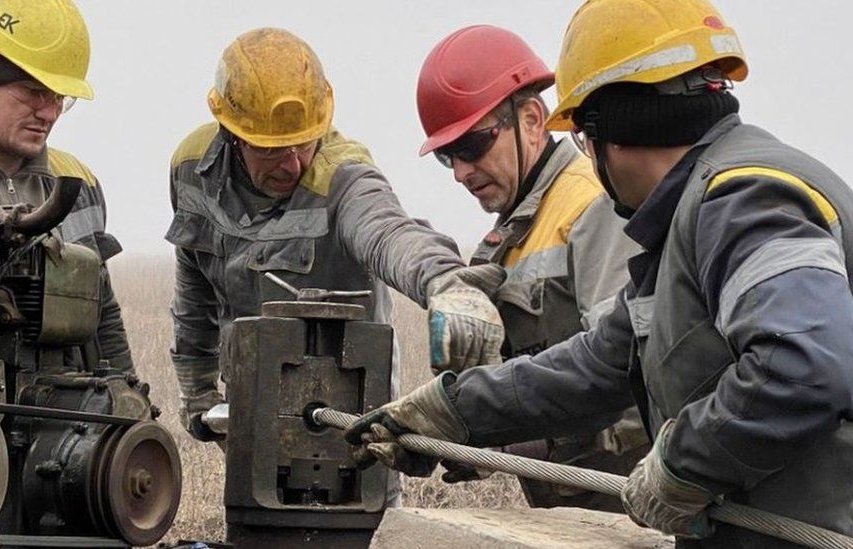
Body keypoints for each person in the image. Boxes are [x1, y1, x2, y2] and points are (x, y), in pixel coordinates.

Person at [346, 1, 853, 546]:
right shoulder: (684, 223)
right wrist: (449, 410)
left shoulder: (741, 199)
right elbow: (599, 363)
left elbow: (801, 365)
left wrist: (683, 466)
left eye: (584, 140)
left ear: (609, 133)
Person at [165, 28, 504, 443]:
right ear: (232, 133)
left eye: (304, 143)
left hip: (348, 425)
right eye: (271, 149)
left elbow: (389, 232)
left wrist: (445, 283)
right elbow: (194, 282)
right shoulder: (191, 168)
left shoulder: (343, 176)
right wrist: (197, 390)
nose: (292, 165)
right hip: (250, 415)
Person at [415, 24, 647, 512]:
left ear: (532, 120)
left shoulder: (592, 205)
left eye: (473, 146)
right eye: (445, 157)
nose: (460, 172)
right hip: (571, 514)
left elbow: (635, 386)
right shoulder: (511, 236)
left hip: (631, 512)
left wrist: (521, 440)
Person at [0, 0, 134, 373]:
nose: (49, 113)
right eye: (33, 91)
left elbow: (103, 319)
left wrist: (130, 409)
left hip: (63, 422)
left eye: (58, 98)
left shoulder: (78, 183)